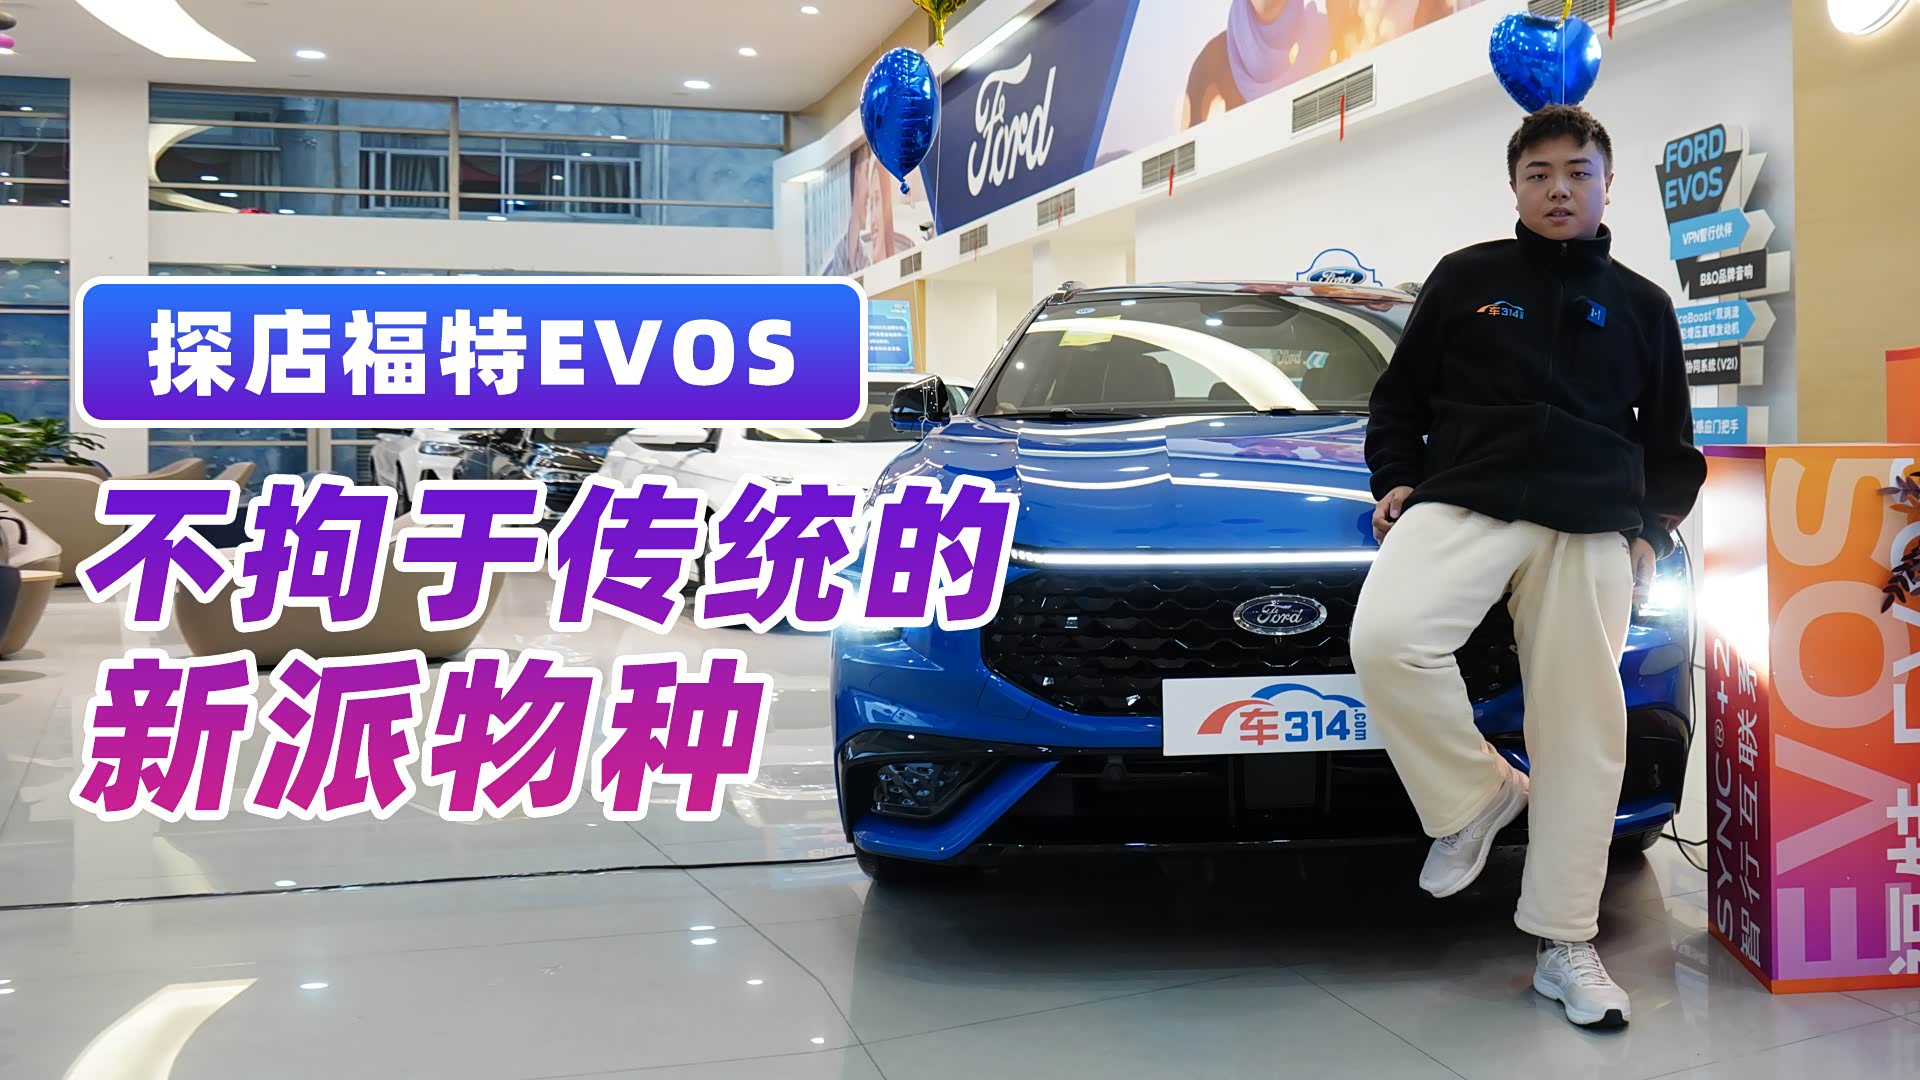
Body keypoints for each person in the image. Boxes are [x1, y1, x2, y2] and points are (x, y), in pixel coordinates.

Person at [1350, 104, 1706, 1030]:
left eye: (1578, 172)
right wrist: (1396, 477)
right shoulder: (1466, 277)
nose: (1559, 189)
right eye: (1539, 173)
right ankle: (1476, 797)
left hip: (1590, 522)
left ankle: (1565, 943)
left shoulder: (1643, 305)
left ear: (1607, 185)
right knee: (1387, 640)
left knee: (1581, 729)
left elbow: (1671, 443)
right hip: (1466, 497)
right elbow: (1399, 397)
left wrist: (1651, 529)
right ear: (1514, 186)